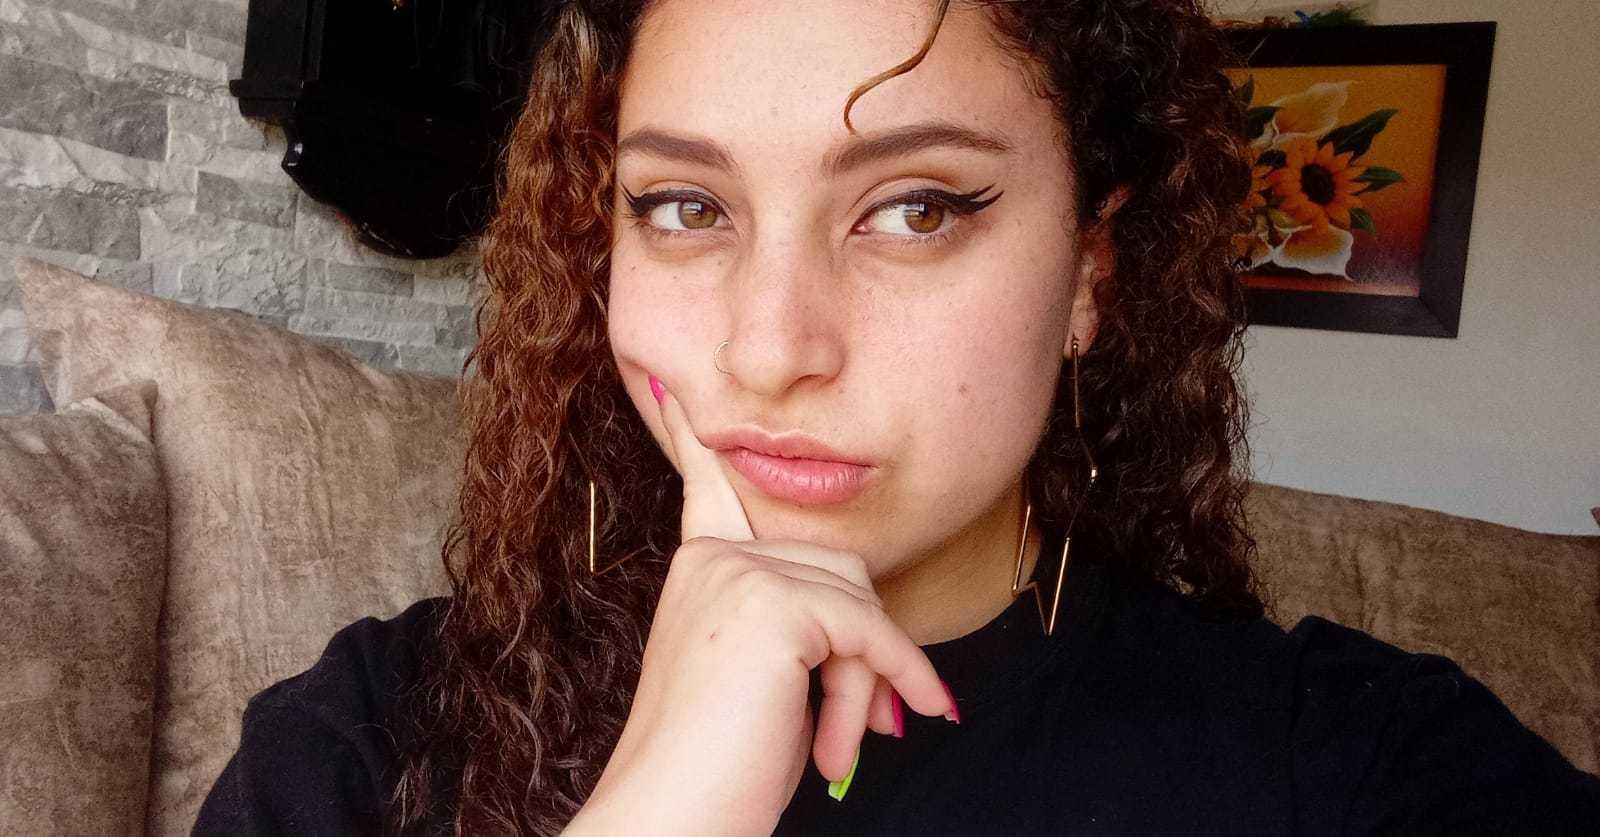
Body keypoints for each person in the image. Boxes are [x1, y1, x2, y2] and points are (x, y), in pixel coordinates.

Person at [194, 1, 1600, 834]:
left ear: (1090, 277)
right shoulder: (369, 739)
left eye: (916, 209)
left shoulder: (1351, 766)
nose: (769, 347)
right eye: (684, 207)